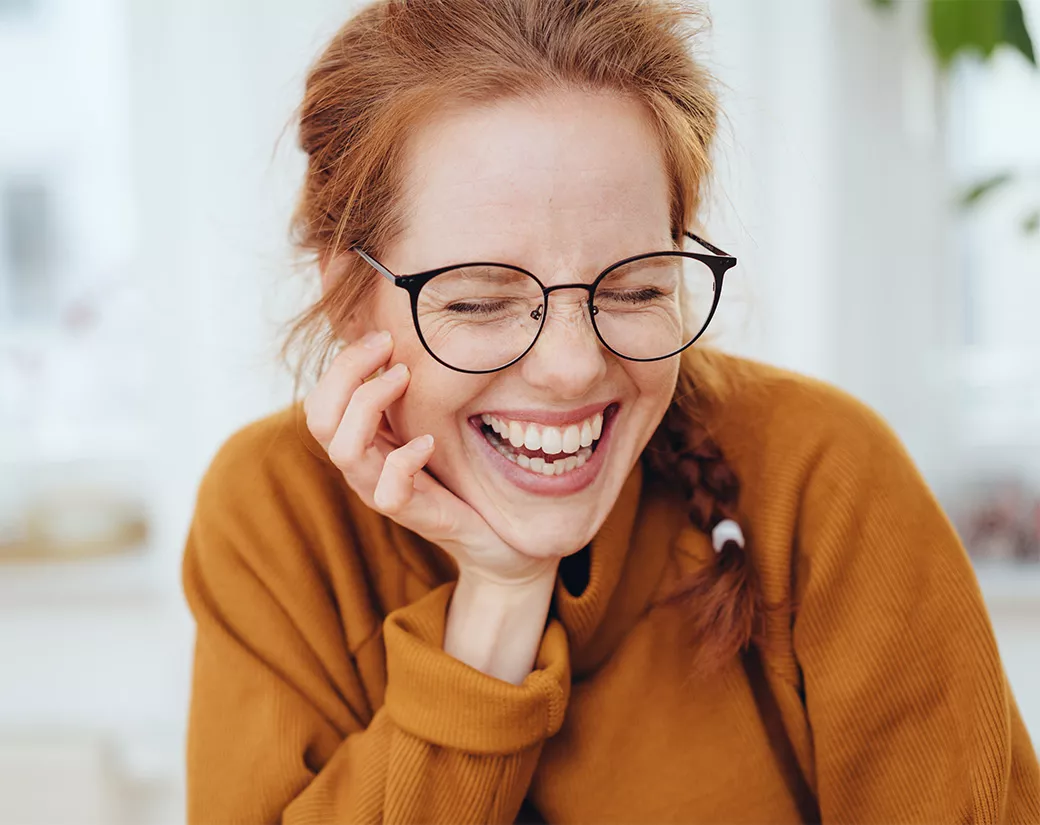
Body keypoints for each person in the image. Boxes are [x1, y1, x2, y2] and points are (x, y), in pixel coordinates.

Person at [181, 0, 1040, 822]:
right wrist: (500, 598)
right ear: (347, 297)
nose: (572, 367)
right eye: (480, 302)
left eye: (633, 289)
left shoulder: (823, 475)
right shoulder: (277, 515)